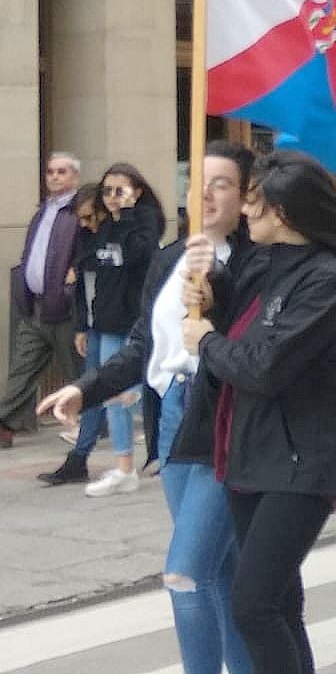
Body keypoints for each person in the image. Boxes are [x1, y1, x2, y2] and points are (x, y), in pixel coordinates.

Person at [40, 141, 257, 672]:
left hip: (225, 424)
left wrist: (217, 286)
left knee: (185, 573)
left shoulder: (258, 262)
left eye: (221, 183)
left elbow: (254, 350)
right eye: (197, 180)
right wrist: (84, 389)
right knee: (221, 570)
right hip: (173, 423)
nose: (204, 193)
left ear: (248, 196)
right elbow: (143, 345)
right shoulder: (168, 259)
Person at [177, 150, 336, 672]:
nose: (245, 212)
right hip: (254, 452)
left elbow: (265, 366)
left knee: (254, 605)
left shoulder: (327, 283)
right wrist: (210, 296)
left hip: (305, 460)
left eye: (255, 205)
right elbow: (247, 324)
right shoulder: (268, 265)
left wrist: (207, 341)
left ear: (284, 215)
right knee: (281, 604)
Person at [75, 162, 166, 495]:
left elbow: (134, 255)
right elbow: (94, 272)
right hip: (105, 318)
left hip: (133, 318)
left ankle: (133, 465)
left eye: (120, 190)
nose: (112, 197)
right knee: (113, 392)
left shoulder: (144, 222)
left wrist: (126, 215)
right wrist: (84, 324)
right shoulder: (104, 226)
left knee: (124, 390)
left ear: (137, 191)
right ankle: (125, 466)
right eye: (108, 190)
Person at [0, 153, 83, 448]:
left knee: (77, 371)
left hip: (64, 308)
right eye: (50, 172)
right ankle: (5, 423)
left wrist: (70, 288)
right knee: (22, 368)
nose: (55, 177)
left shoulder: (79, 212)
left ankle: (94, 424)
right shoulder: (43, 211)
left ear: (74, 176)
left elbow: (86, 254)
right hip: (35, 305)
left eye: (62, 172)